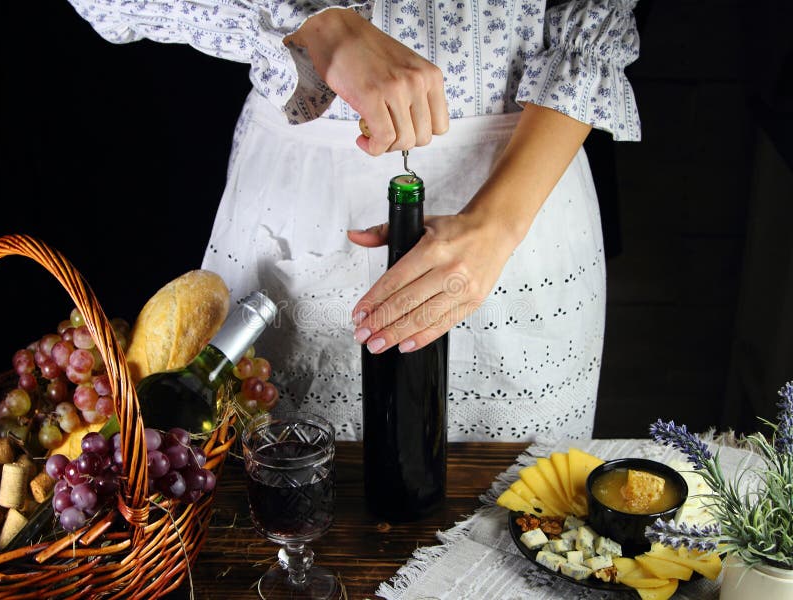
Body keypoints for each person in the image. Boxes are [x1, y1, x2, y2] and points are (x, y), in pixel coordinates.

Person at [67, 0, 642, 442]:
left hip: (523, 195)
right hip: (301, 203)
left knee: (520, 532)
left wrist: (498, 225)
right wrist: (315, 23)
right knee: (286, 513)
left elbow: (598, 13)